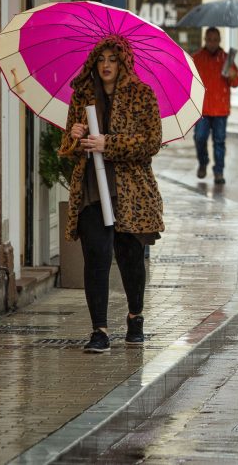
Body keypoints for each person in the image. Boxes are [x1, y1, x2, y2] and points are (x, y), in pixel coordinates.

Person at [60, 36, 165, 353]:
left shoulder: (142, 95)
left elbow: (151, 143)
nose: (106, 64)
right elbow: (68, 146)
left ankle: (135, 317)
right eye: (101, 58)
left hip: (130, 191)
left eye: (113, 59)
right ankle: (99, 331)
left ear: (124, 63)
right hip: (93, 188)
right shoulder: (82, 97)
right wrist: (76, 136)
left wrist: (110, 144)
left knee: (130, 257)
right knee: (97, 256)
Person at [192, 27, 238, 184]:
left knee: (219, 142)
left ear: (220, 41)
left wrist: (233, 76)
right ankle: (203, 162)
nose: (212, 43)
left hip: (220, 109)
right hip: (202, 109)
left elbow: (236, 83)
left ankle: (219, 171)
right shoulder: (196, 59)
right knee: (200, 138)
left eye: (215, 40)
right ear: (205, 40)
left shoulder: (227, 59)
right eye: (209, 39)